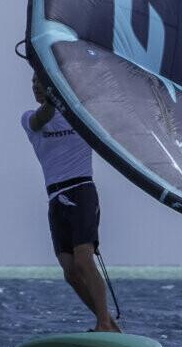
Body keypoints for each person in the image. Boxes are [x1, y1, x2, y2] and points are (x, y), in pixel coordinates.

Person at [24, 73, 118, 333]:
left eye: (39, 83)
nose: (35, 87)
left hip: (81, 191)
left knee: (83, 260)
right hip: (55, 200)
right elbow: (40, 117)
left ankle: (102, 322)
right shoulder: (30, 120)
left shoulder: (81, 116)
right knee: (70, 271)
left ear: (53, 86)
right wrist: (53, 101)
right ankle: (108, 323)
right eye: (32, 84)